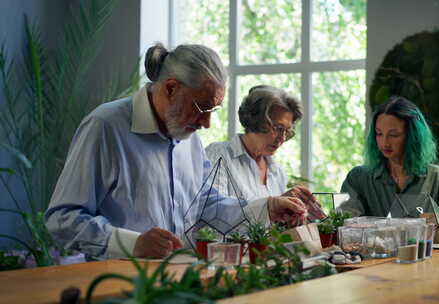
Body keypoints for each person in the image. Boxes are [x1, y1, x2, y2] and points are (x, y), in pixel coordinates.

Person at [45, 43, 308, 260]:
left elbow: (208, 206)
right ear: (171, 88)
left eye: (213, 110)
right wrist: (132, 244)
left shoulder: (188, 138)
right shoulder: (105, 127)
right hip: (120, 288)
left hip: (180, 282)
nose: (207, 124)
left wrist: (266, 208)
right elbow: (62, 219)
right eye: (202, 108)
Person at [205, 85, 325, 222]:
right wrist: (268, 207)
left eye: (287, 131)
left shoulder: (277, 171)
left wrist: (293, 212)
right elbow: (211, 215)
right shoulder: (219, 155)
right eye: (279, 129)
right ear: (256, 120)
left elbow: (272, 230)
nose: (283, 138)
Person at [339, 96, 439, 217]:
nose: (385, 142)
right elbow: (344, 224)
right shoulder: (358, 178)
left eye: (394, 135)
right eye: (379, 133)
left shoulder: (437, 178)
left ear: (413, 136)